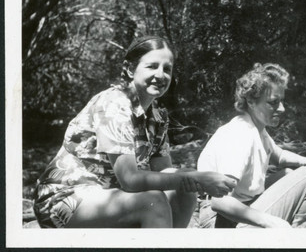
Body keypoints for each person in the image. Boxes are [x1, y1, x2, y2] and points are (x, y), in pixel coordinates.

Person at [33, 35, 236, 228]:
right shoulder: (113, 104)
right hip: (65, 200)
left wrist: (198, 177)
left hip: (111, 196)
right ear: (130, 69)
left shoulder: (157, 115)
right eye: (152, 66)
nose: (160, 75)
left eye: (167, 69)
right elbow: (130, 180)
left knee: (184, 191)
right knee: (153, 201)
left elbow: (164, 172)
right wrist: (199, 179)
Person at [197, 63, 306, 228]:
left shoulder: (257, 129)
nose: (282, 108)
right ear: (251, 101)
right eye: (273, 102)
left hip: (239, 213)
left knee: (294, 170)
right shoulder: (241, 134)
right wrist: (269, 221)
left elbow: (279, 156)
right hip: (222, 222)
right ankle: (301, 240)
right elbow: (219, 201)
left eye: (282, 101)